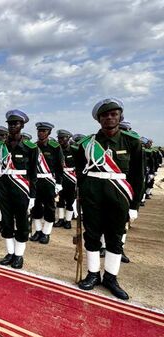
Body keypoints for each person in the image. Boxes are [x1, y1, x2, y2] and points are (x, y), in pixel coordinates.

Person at [74, 98, 144, 300]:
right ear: (99, 119)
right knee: (92, 236)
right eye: (105, 115)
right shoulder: (87, 144)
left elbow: (137, 177)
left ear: (120, 116)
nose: (109, 118)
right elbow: (80, 170)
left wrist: (134, 206)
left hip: (119, 197)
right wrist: (84, 190)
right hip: (93, 197)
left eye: (114, 114)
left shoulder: (132, 142)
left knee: (114, 238)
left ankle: (111, 278)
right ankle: (93, 274)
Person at [0, 110, 38, 269]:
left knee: (22, 222)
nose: (12, 126)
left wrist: (32, 195)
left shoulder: (30, 147)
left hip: (21, 188)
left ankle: (19, 255)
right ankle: (10, 253)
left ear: (22, 125)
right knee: (7, 221)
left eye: (16, 123)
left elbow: (33, 173)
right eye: (10, 124)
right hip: (4, 188)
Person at [29, 122, 64, 245]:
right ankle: (38, 231)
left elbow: (60, 167)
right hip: (35, 181)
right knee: (36, 207)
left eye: (44, 131)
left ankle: (46, 233)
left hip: (49, 181)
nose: (41, 133)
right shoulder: (33, 147)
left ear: (49, 133)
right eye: (39, 131)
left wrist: (59, 183)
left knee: (49, 207)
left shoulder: (55, 147)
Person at [54, 129, 76, 230]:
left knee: (70, 201)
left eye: (63, 138)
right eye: (59, 138)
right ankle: (61, 219)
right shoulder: (56, 150)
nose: (60, 140)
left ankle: (68, 221)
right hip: (60, 177)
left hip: (71, 178)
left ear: (68, 138)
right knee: (60, 200)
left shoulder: (74, 149)